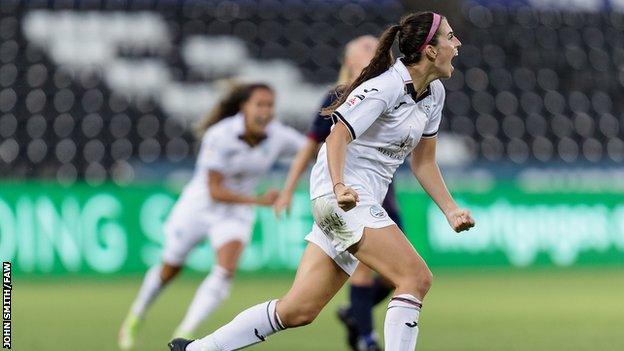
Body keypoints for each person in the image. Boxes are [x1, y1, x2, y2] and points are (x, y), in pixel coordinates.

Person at [169, 11, 474, 351]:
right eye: (449, 36)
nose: (457, 43)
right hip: (341, 196)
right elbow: (336, 136)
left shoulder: (434, 94)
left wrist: (450, 210)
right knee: (414, 278)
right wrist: (340, 185)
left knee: (298, 310)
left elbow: (424, 161)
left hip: (353, 201)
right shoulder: (384, 87)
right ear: (430, 50)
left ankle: (197, 349)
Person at [118, 83, 306, 350]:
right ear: (244, 107)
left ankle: (185, 331)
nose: (265, 111)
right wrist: (259, 200)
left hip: (236, 213)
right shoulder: (220, 136)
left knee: (224, 271)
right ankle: (135, 317)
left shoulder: (279, 136)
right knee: (170, 268)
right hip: (200, 206)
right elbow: (216, 191)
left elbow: (311, 147)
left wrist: (290, 185)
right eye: (260, 104)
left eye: (270, 105)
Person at [272, 35, 402, 351]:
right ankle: (366, 340)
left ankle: (354, 313)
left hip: (383, 194)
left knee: (393, 277)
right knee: (366, 271)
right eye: (366, 48)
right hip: (349, 194)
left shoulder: (393, 90)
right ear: (349, 61)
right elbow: (312, 144)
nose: (376, 50)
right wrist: (288, 189)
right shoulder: (338, 95)